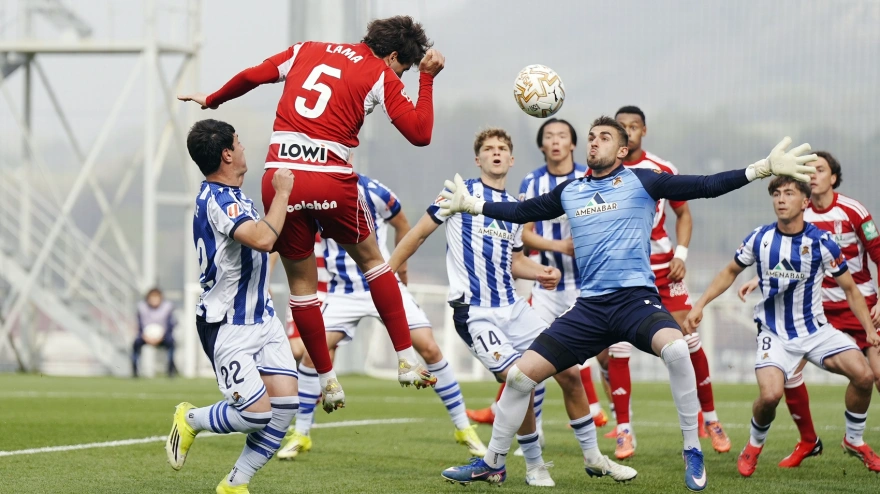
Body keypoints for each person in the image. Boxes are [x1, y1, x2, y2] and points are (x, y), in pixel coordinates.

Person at [437, 116, 817, 490]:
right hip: (589, 309)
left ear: (621, 150)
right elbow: (521, 212)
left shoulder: (643, 180)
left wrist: (761, 169)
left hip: (636, 302)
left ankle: (691, 449)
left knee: (676, 349)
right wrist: (473, 206)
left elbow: (705, 185)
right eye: (591, 137)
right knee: (520, 376)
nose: (594, 142)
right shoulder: (570, 190)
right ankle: (492, 464)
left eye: (604, 137)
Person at [179, 16, 447, 411]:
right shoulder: (380, 73)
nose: (401, 77)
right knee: (374, 263)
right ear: (393, 56)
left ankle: (327, 380)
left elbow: (255, 74)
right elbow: (420, 134)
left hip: (280, 178)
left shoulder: (307, 50)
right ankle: (406, 358)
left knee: (302, 287)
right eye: (403, 70)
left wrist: (214, 99)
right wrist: (426, 79)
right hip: (329, 177)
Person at [392, 128, 636, 487]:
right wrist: (388, 272)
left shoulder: (513, 208)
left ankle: (594, 458)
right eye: (488, 149)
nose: (495, 153)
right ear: (477, 159)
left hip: (513, 307)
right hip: (476, 312)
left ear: (511, 159)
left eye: (502, 149)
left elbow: (515, 260)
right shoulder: (457, 195)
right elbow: (417, 234)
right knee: (518, 380)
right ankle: (531, 465)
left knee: (569, 372)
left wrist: (540, 271)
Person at [276, 173, 486, 460]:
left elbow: (401, 224)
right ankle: (301, 433)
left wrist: (401, 270)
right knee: (313, 354)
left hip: (380, 282)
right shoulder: (312, 191)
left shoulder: (374, 190)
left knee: (429, 347)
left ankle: (464, 428)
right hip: (343, 292)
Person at [685, 175, 880, 477]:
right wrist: (700, 305)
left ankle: (853, 440)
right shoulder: (759, 238)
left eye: (789, 193)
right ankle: (753, 445)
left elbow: (851, 289)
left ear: (804, 202)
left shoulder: (821, 241)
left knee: (865, 375)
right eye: (776, 193)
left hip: (815, 331)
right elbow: (729, 271)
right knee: (770, 396)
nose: (781, 199)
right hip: (774, 332)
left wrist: (868, 328)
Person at [165, 119, 299, 494]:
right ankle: (191, 418)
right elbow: (261, 238)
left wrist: (265, 284)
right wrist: (284, 193)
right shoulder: (219, 200)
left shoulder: (235, 194)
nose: (243, 147)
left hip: (262, 317)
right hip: (228, 326)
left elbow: (255, 251)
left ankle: (235, 484)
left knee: (287, 405)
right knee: (256, 415)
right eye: (238, 142)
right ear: (226, 154)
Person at [594, 106, 729, 458]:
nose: (628, 131)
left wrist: (681, 254)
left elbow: (684, 213)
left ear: (643, 131)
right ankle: (624, 429)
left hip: (663, 268)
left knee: (688, 336)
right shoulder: (600, 172)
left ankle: (711, 419)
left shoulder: (661, 169)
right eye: (621, 127)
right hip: (624, 271)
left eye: (633, 126)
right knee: (617, 347)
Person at [737, 151, 880, 468]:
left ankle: (853, 439)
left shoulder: (852, 210)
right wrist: (759, 283)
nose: (813, 175)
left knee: (872, 376)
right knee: (785, 378)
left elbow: (877, 252)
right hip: (817, 311)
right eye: (808, 170)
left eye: (820, 170)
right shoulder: (797, 215)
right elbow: (787, 263)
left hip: (862, 304)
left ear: (833, 177)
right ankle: (807, 440)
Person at [466, 118, 609, 432]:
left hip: (585, 287)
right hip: (545, 288)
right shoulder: (531, 183)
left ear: (573, 144)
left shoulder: (588, 181)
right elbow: (523, 233)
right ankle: (535, 432)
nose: (556, 141)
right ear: (542, 145)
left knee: (605, 354)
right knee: (536, 357)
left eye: (562, 136)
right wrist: (558, 246)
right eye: (549, 136)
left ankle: (616, 421)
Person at [132, 287, 177, 378]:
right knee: (136, 343)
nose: (154, 300)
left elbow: (171, 325)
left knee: (171, 342)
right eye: (152, 298)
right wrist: (145, 336)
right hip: (145, 336)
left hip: (163, 336)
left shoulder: (167, 307)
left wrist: (161, 336)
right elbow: (139, 324)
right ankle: (135, 371)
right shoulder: (142, 307)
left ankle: (170, 371)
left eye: (156, 298)